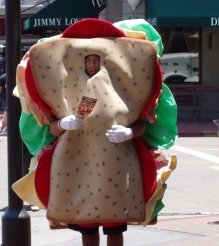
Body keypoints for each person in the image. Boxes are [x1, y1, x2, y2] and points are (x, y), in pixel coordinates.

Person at [48, 54, 145, 246]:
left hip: (114, 166)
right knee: (87, 224)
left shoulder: (120, 86)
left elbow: (140, 125)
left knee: (114, 224)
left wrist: (128, 133)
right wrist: (62, 123)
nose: (92, 65)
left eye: (96, 60)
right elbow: (51, 127)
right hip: (80, 165)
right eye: (88, 60)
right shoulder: (67, 87)